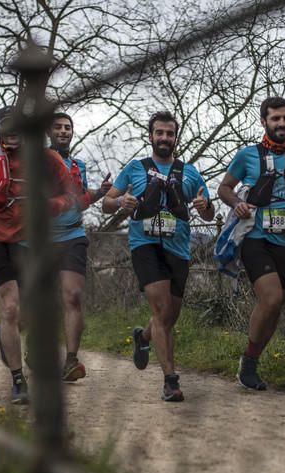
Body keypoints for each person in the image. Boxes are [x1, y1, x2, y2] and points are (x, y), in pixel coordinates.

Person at [0, 105, 86, 404]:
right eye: (6, 127)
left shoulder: (48, 160)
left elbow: (71, 197)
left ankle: (5, 336)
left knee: (29, 311)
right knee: (10, 307)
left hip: (33, 243)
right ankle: (18, 380)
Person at [102, 111, 214, 402]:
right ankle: (170, 381)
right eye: (160, 133)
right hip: (145, 245)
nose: (165, 138)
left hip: (178, 248)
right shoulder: (135, 168)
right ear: (150, 136)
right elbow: (106, 203)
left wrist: (204, 205)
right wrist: (120, 202)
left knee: (168, 315)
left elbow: (208, 209)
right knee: (161, 308)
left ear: (176, 137)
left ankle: (143, 338)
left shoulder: (189, 172)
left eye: (170, 133)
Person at [218, 96, 285, 391]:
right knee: (271, 298)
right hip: (255, 236)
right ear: (263, 121)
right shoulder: (247, 155)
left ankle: (251, 361)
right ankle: (249, 365)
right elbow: (224, 188)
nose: (281, 123)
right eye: (275, 119)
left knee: (277, 307)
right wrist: (238, 203)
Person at [42, 110, 112, 381]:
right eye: (57, 127)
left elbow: (79, 200)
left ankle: (71, 360)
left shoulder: (78, 165)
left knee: (72, 295)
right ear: (49, 132)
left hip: (73, 236)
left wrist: (99, 193)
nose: (63, 131)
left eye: (67, 128)